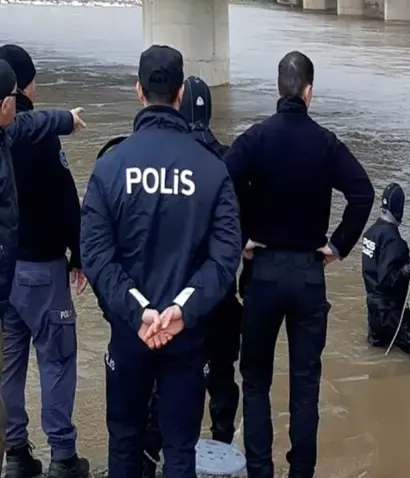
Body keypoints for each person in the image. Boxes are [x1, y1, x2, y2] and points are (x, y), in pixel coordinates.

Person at [79, 45, 241, 478]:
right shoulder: (212, 170)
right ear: (181, 92)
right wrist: (181, 311)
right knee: (180, 451)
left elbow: (95, 255)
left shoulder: (110, 166)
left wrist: (138, 312)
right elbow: (226, 257)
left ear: (138, 90)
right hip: (186, 339)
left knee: (124, 443)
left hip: (129, 336)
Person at [225, 50, 374, 478]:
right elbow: (363, 193)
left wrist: (240, 237)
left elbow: (219, 182)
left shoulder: (254, 139)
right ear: (309, 92)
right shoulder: (325, 143)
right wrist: (337, 246)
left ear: (279, 89)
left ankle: (259, 471)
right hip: (309, 275)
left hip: (263, 273)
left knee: (255, 382)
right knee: (305, 386)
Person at [140, 75, 243, 478]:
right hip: (219, 295)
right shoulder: (228, 161)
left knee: (164, 383)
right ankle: (222, 444)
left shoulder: (168, 161)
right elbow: (238, 233)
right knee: (223, 376)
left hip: (172, 297)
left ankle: (152, 455)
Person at [0, 44, 89, 478]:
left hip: (5, 273)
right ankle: (62, 456)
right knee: (56, 358)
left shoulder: (8, 132)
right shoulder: (36, 137)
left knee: (9, 364)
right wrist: (79, 255)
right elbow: (66, 202)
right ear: (22, 87)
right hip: (42, 270)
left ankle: (15, 453)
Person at [361, 183, 410, 359]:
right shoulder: (393, 239)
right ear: (399, 208)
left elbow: (376, 272)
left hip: (373, 311)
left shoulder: (371, 233)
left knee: (376, 352)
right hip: (391, 312)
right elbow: (387, 280)